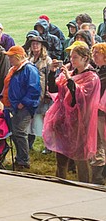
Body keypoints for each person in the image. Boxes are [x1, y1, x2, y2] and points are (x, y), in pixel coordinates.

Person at [43, 41, 100, 183]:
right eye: (71, 57)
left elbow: (80, 99)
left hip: (80, 124)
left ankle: (84, 186)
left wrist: (70, 80)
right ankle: (60, 183)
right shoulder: (69, 72)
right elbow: (54, 89)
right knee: (61, 156)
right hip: (63, 120)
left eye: (75, 57)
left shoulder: (92, 77)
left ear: (85, 58)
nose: (71, 60)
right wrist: (51, 72)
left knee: (81, 158)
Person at [1, 45, 41, 169]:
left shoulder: (29, 69)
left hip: (23, 107)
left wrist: (23, 103)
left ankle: (23, 160)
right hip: (10, 105)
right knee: (13, 132)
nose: (9, 59)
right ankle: (20, 158)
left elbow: (34, 89)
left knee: (19, 132)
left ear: (18, 57)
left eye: (11, 57)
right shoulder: (13, 69)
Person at [25, 35, 52, 153]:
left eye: (37, 44)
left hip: (43, 94)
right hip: (31, 94)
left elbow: (50, 79)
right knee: (31, 119)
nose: (35, 46)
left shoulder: (47, 61)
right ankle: (29, 144)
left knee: (45, 120)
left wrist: (47, 93)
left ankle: (48, 146)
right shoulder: (28, 59)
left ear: (42, 46)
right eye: (33, 44)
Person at [90, 42, 106, 184]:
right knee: (98, 142)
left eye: (97, 53)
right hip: (97, 112)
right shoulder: (97, 70)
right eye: (93, 53)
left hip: (103, 113)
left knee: (103, 141)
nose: (94, 56)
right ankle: (98, 176)